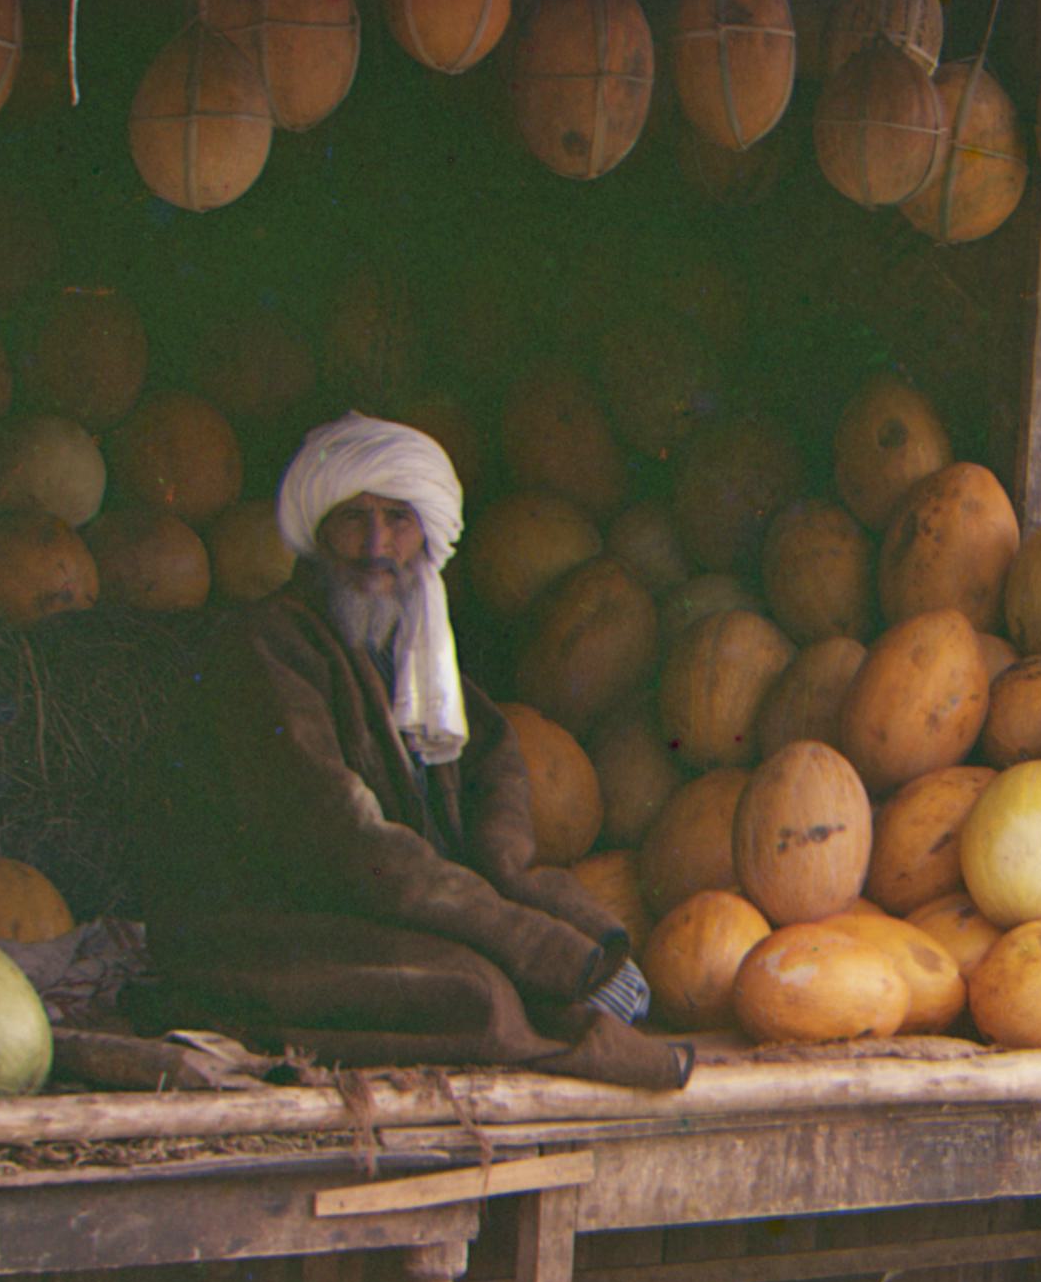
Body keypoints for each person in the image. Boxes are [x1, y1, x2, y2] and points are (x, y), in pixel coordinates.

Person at [135, 415, 686, 1088]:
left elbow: (493, 766)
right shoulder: (268, 646)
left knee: (541, 963)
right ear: (315, 533)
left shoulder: (418, 646)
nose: (375, 546)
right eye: (351, 519)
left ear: (425, 531)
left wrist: (540, 911)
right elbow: (348, 843)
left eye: (397, 519)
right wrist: (532, 944)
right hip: (274, 924)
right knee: (475, 991)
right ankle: (581, 1032)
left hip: (396, 908)